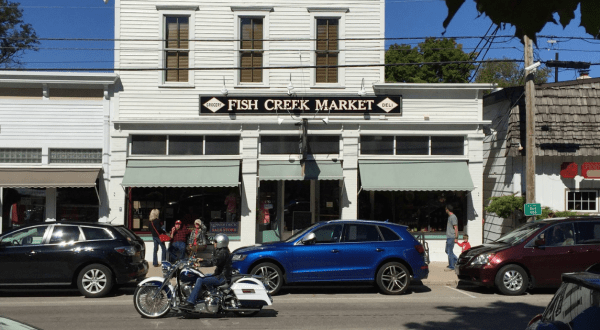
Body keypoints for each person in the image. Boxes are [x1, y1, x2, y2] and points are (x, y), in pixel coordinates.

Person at [180, 233, 232, 310]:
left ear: (221, 243)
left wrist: (200, 264)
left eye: (215, 242)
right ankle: (205, 296)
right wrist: (201, 260)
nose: (214, 243)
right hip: (220, 275)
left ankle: (191, 302)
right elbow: (213, 260)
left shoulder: (223, 253)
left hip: (222, 277)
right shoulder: (222, 251)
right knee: (203, 276)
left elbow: (214, 262)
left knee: (200, 280)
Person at [444, 205, 459, 271]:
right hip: (449, 237)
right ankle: (457, 262)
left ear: (448, 209)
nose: (445, 210)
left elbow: (456, 228)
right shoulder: (450, 217)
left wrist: (456, 237)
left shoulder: (453, 217)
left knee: (449, 252)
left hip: (452, 237)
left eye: (446, 209)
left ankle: (451, 266)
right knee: (447, 251)